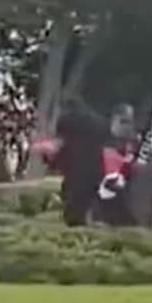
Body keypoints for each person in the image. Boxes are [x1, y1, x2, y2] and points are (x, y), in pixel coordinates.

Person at [55, 97, 109, 227]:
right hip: (94, 164)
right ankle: (85, 221)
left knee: (73, 197)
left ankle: (73, 225)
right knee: (87, 198)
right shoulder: (98, 120)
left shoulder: (67, 119)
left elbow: (61, 138)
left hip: (75, 163)